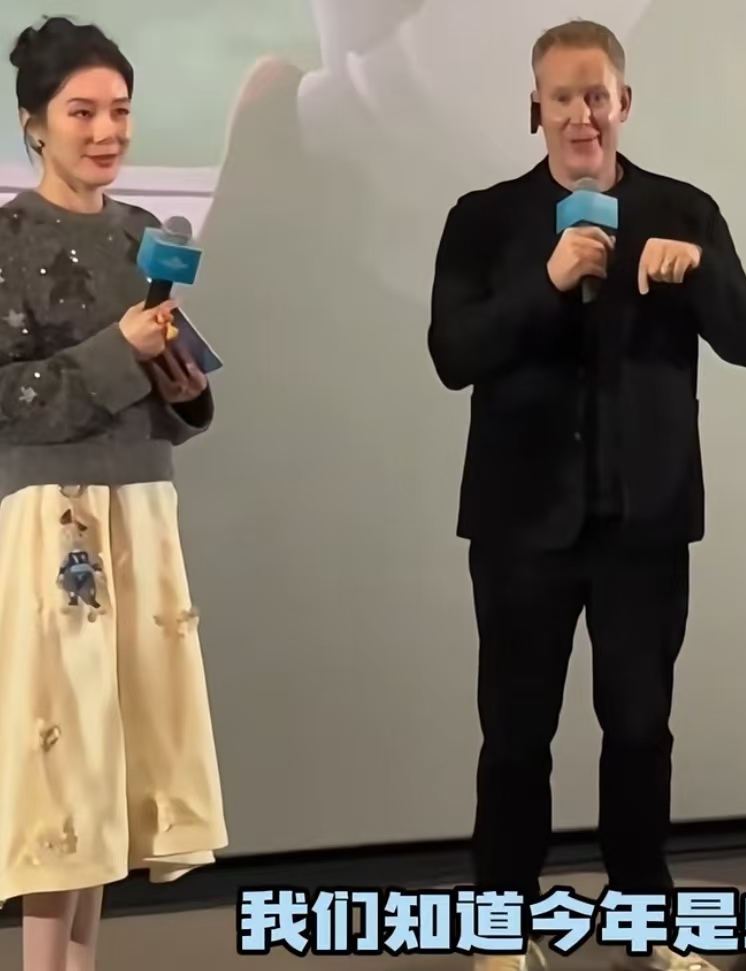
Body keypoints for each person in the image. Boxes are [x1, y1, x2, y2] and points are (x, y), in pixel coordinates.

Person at [427, 19, 746, 971]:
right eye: (561, 97)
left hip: (645, 524)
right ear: (534, 108)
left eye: (596, 95)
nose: (581, 114)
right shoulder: (485, 218)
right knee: (515, 734)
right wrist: (547, 281)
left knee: (640, 730)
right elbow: (452, 353)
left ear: (625, 102)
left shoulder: (684, 210)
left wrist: (701, 274)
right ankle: (502, 923)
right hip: (520, 525)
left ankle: (645, 919)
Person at [0, 16, 227, 971]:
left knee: (117, 759)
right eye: (82, 111)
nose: (107, 131)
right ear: (34, 123)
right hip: (52, 519)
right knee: (63, 755)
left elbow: (175, 401)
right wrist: (113, 351)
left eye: (121, 111)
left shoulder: (142, 236)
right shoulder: (8, 238)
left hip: (141, 507)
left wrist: (183, 384)